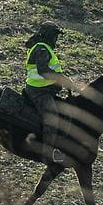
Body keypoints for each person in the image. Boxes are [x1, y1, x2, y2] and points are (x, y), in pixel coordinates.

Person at [23, 22, 82, 163]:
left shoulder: (43, 47)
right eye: (55, 36)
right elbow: (43, 71)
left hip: (44, 90)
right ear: (49, 35)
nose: (56, 39)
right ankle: (48, 153)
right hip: (39, 92)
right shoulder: (42, 49)